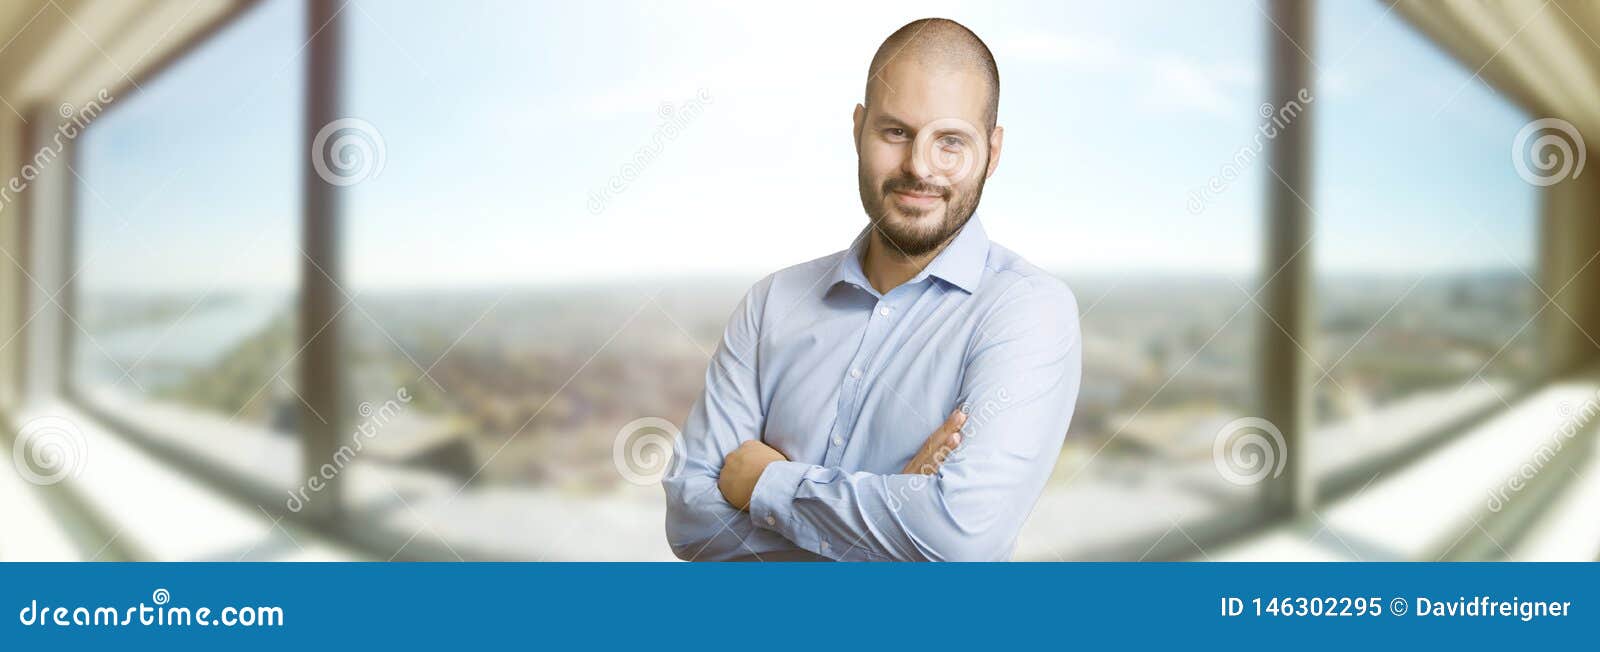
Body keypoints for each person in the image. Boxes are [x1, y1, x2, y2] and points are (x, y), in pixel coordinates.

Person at [662, 17, 1081, 561]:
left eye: (951, 141)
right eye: (897, 132)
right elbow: (692, 522)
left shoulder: (1028, 313)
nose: (918, 167)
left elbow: (957, 542)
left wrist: (766, 484)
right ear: (859, 129)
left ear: (992, 153)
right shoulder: (772, 305)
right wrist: (895, 518)